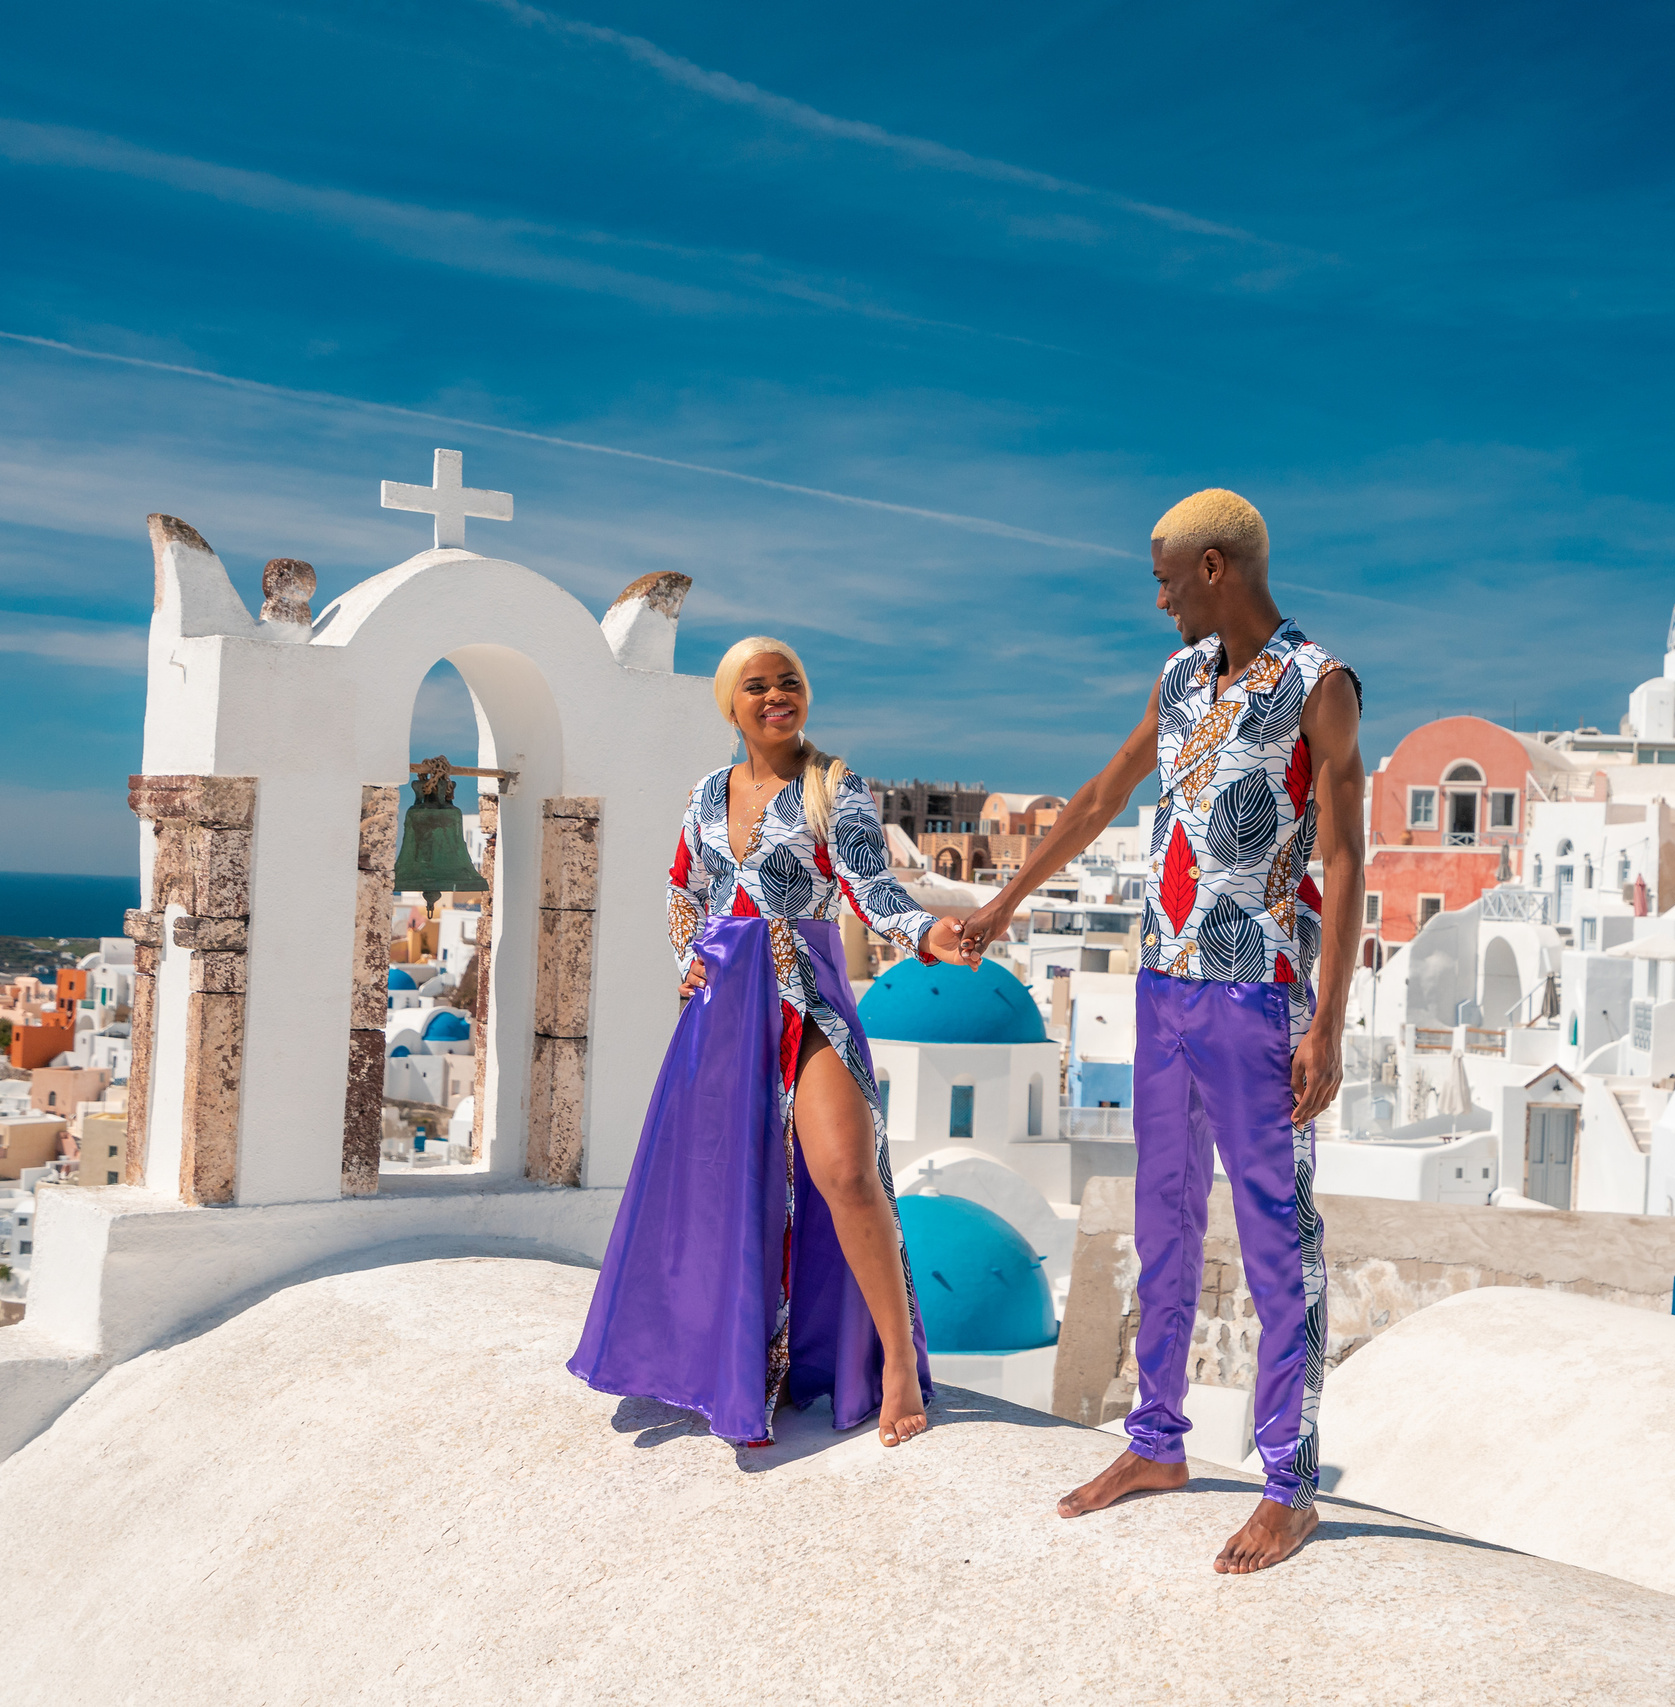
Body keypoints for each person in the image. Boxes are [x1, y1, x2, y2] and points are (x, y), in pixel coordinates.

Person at [961, 489, 1365, 1573]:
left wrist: (1326, 1021)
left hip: (1258, 993)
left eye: (1165, 578)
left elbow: (1344, 859)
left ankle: (1288, 1484)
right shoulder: (1182, 680)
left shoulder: (1316, 684)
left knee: (1279, 1240)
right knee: (1164, 1223)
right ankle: (1158, 1443)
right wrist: (1001, 907)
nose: (1157, 599)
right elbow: (1099, 797)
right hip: (1162, 984)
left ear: (1218, 568)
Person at [570, 636, 968, 1449]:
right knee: (728, 1192)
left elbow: (869, 887)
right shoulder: (707, 795)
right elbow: (683, 887)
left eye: (789, 681)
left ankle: (894, 1363)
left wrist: (928, 934)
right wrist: (689, 962)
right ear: (731, 702)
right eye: (757, 686)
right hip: (724, 1003)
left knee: (845, 1173)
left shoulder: (833, 787)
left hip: (807, 990)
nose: (776, 695)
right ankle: (737, 1366)